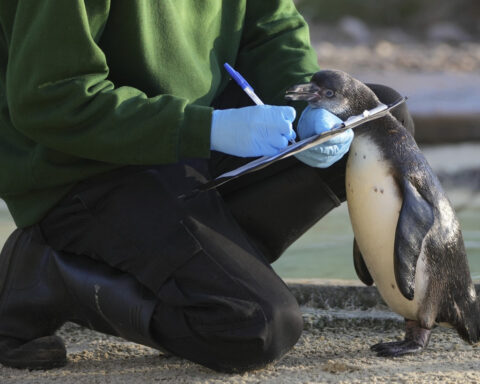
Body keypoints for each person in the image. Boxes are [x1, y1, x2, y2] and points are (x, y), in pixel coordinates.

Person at [0, 0, 413, 373]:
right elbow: (52, 100)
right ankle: (48, 272)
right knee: (254, 327)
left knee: (374, 123)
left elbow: (270, 28)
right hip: (85, 168)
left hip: (192, 143)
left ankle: (199, 272)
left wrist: (310, 105)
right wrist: (208, 128)